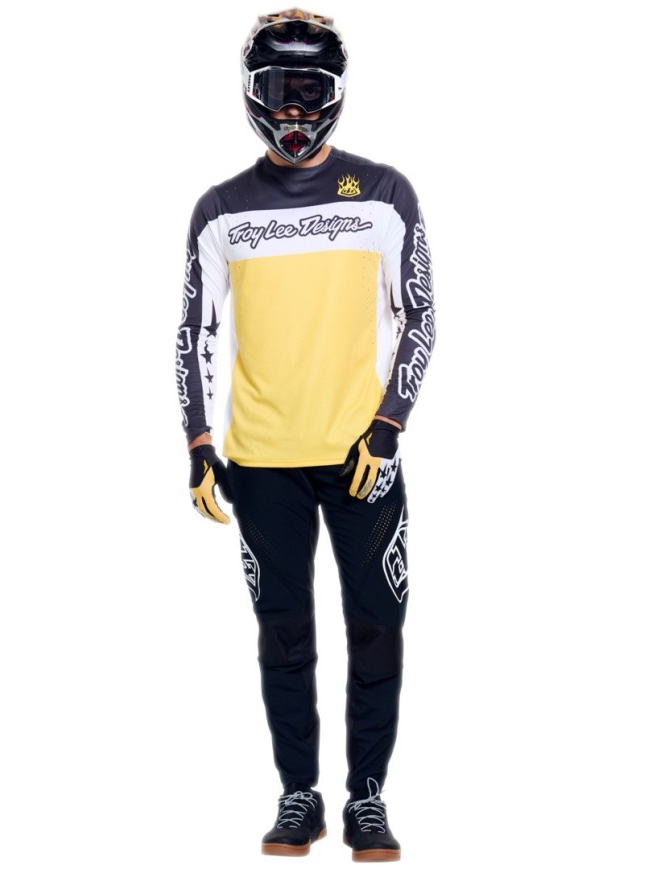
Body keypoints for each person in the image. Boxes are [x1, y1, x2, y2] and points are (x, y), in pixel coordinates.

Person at [175, 8, 435, 861]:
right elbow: (195, 331)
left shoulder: (385, 193)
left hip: (363, 457)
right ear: (252, 94)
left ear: (336, 94)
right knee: (283, 635)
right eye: (278, 90)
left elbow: (421, 317)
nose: (293, 110)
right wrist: (198, 443)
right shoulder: (220, 209)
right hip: (261, 462)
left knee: (377, 628)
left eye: (309, 91)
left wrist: (388, 427)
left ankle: (367, 797)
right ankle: (300, 795)